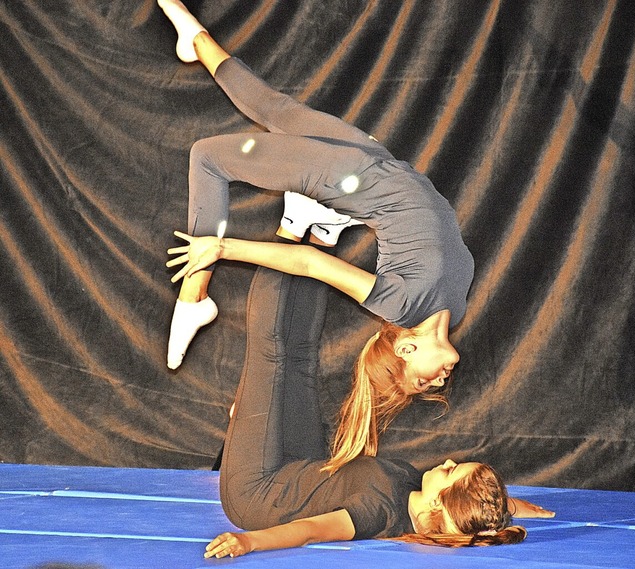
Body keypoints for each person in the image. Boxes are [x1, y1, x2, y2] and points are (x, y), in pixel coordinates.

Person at [159, 0, 474, 471]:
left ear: (407, 349)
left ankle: (195, 294)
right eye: (431, 386)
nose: (438, 381)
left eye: (422, 382)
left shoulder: (399, 308)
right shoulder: (458, 304)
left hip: (349, 176)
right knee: (273, 108)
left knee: (208, 156)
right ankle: (191, 31)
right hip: (374, 163)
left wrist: (221, 247)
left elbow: (311, 265)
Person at [201, 260, 553, 559]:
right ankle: (319, 232)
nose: (447, 462)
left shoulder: (377, 513)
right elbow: (478, 514)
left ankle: (292, 228)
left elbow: (310, 530)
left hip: (255, 492)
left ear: (436, 507)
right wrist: (503, 508)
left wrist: (248, 542)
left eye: (450, 472)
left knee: (273, 351)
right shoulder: (418, 493)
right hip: (299, 467)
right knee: (302, 356)